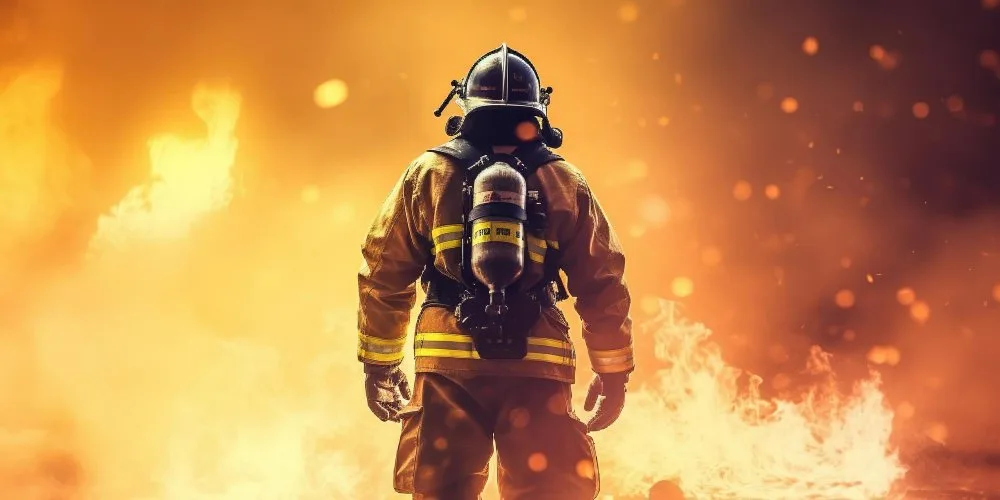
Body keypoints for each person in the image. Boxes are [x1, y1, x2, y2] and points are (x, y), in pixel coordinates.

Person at [357, 43, 633, 500]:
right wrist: (613, 369)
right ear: (538, 110)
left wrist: (379, 364)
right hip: (538, 367)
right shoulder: (565, 181)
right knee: (544, 493)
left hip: (447, 366)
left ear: (465, 105)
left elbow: (384, 272)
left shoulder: (428, 173)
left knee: (444, 492)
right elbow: (603, 282)